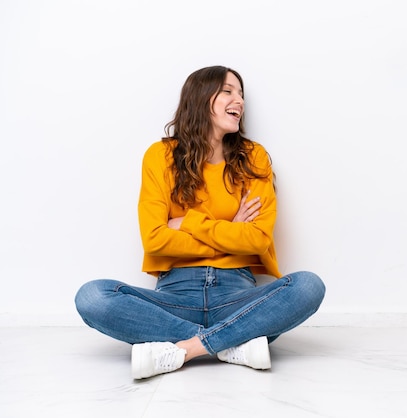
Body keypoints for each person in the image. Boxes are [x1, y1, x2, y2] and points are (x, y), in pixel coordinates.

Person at [74, 65, 325, 380]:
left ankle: (187, 348)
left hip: (238, 296)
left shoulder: (254, 157)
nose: (240, 101)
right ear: (201, 98)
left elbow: (258, 239)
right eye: (229, 91)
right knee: (92, 296)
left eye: (242, 94)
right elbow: (154, 239)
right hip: (174, 297)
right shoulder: (161, 156)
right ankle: (232, 342)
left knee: (308, 286)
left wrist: (188, 222)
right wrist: (231, 228)